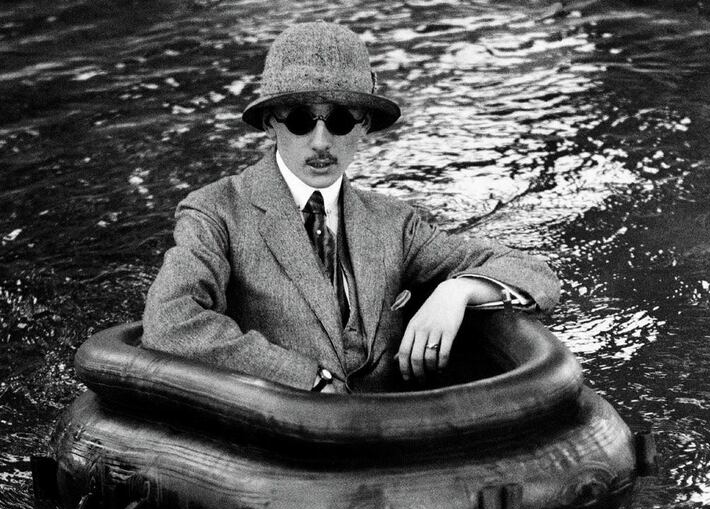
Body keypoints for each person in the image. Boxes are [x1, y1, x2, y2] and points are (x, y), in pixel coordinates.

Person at [142, 21, 561, 394]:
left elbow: (535, 273)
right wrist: (304, 379)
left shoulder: (395, 223)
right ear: (271, 122)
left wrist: (458, 290)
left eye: (341, 120)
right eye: (301, 120)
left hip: (385, 438)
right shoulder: (214, 212)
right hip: (278, 438)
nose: (322, 142)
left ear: (363, 124)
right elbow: (171, 319)